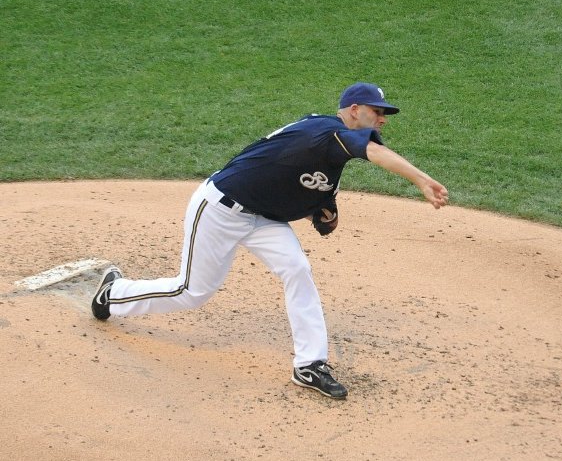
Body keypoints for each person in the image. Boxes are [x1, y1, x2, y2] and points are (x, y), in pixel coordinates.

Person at [91, 82, 449, 399]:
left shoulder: (332, 149)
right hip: (220, 209)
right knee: (192, 292)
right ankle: (115, 294)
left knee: (297, 269)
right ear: (353, 111)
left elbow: (299, 180)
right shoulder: (326, 131)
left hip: (263, 219)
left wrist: (321, 212)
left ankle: (310, 364)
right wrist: (421, 180)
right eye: (377, 112)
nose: (383, 119)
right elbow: (373, 152)